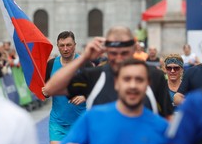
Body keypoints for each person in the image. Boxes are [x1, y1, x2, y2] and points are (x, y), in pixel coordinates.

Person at [51, 59, 169, 144]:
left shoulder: (161, 127)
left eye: (139, 80)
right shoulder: (93, 118)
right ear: (117, 83)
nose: (133, 85)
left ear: (148, 84)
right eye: (127, 79)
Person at [44, 26, 173, 117]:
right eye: (113, 53)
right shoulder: (95, 75)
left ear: (134, 50)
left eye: (124, 53)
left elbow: (168, 119)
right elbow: (50, 89)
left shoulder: (154, 76)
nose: (119, 59)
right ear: (106, 52)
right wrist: (84, 57)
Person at [44, 31, 91, 144]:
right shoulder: (51, 65)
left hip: (80, 121)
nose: (65, 48)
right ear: (57, 46)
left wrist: (85, 96)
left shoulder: (85, 64)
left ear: (75, 46)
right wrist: (44, 92)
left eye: (69, 45)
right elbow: (45, 90)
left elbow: (95, 88)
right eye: (62, 45)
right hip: (58, 122)